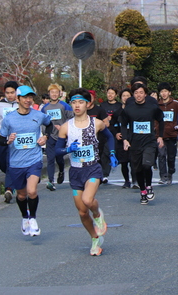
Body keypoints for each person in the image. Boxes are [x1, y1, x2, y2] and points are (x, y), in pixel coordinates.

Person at [56, 88, 116, 256]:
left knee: (88, 200)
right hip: (75, 172)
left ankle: (97, 214)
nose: (77, 105)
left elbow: (110, 137)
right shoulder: (66, 127)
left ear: (88, 104)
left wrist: (112, 153)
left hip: (92, 169)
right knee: (82, 212)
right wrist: (68, 148)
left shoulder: (96, 123)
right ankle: (95, 239)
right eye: (74, 102)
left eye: (81, 102)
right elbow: (57, 151)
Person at [0, 86, 53, 237]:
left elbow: (50, 125)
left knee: (32, 191)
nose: (28, 100)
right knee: (21, 195)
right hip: (16, 162)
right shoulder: (9, 119)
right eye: (25, 97)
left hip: (34, 159)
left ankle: (33, 219)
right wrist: (8, 140)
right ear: (18, 99)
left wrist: (45, 137)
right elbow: (1, 140)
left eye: (31, 97)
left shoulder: (38, 115)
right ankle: (25, 218)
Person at [120, 83, 165, 205]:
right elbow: (123, 125)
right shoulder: (128, 109)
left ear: (145, 94)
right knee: (137, 169)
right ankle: (143, 191)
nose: (138, 95)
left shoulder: (152, 107)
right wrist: (125, 139)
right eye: (136, 93)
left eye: (141, 92)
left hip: (149, 142)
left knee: (147, 165)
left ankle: (149, 186)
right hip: (135, 143)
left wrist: (160, 136)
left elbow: (161, 120)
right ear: (133, 95)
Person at [40, 83, 74, 191]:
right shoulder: (45, 108)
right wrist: (44, 134)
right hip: (49, 137)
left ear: (59, 93)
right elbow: (41, 122)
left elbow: (72, 118)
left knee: (59, 157)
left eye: (56, 92)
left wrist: (64, 127)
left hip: (61, 136)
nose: (54, 94)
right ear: (49, 94)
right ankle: (50, 181)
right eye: (52, 92)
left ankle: (61, 171)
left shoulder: (65, 106)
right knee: (50, 159)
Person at [157, 82, 178, 185]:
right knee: (161, 155)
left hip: (172, 135)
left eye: (166, 91)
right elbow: (155, 119)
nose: (164, 93)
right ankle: (163, 176)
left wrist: (176, 127)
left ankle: (171, 172)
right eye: (162, 91)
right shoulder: (157, 105)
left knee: (171, 157)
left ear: (169, 92)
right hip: (160, 135)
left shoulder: (175, 104)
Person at [86, 90, 111, 183]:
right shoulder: (82, 110)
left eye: (90, 97)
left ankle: (103, 175)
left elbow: (106, 123)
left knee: (101, 156)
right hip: (86, 139)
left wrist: (97, 126)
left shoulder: (99, 110)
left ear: (94, 98)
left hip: (100, 138)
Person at [114, 88, 134, 188]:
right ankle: (127, 180)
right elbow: (113, 125)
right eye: (124, 96)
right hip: (121, 140)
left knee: (134, 161)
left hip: (134, 139)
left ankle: (135, 180)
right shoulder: (117, 112)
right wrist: (116, 134)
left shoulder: (135, 110)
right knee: (124, 162)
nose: (126, 98)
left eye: (128, 96)